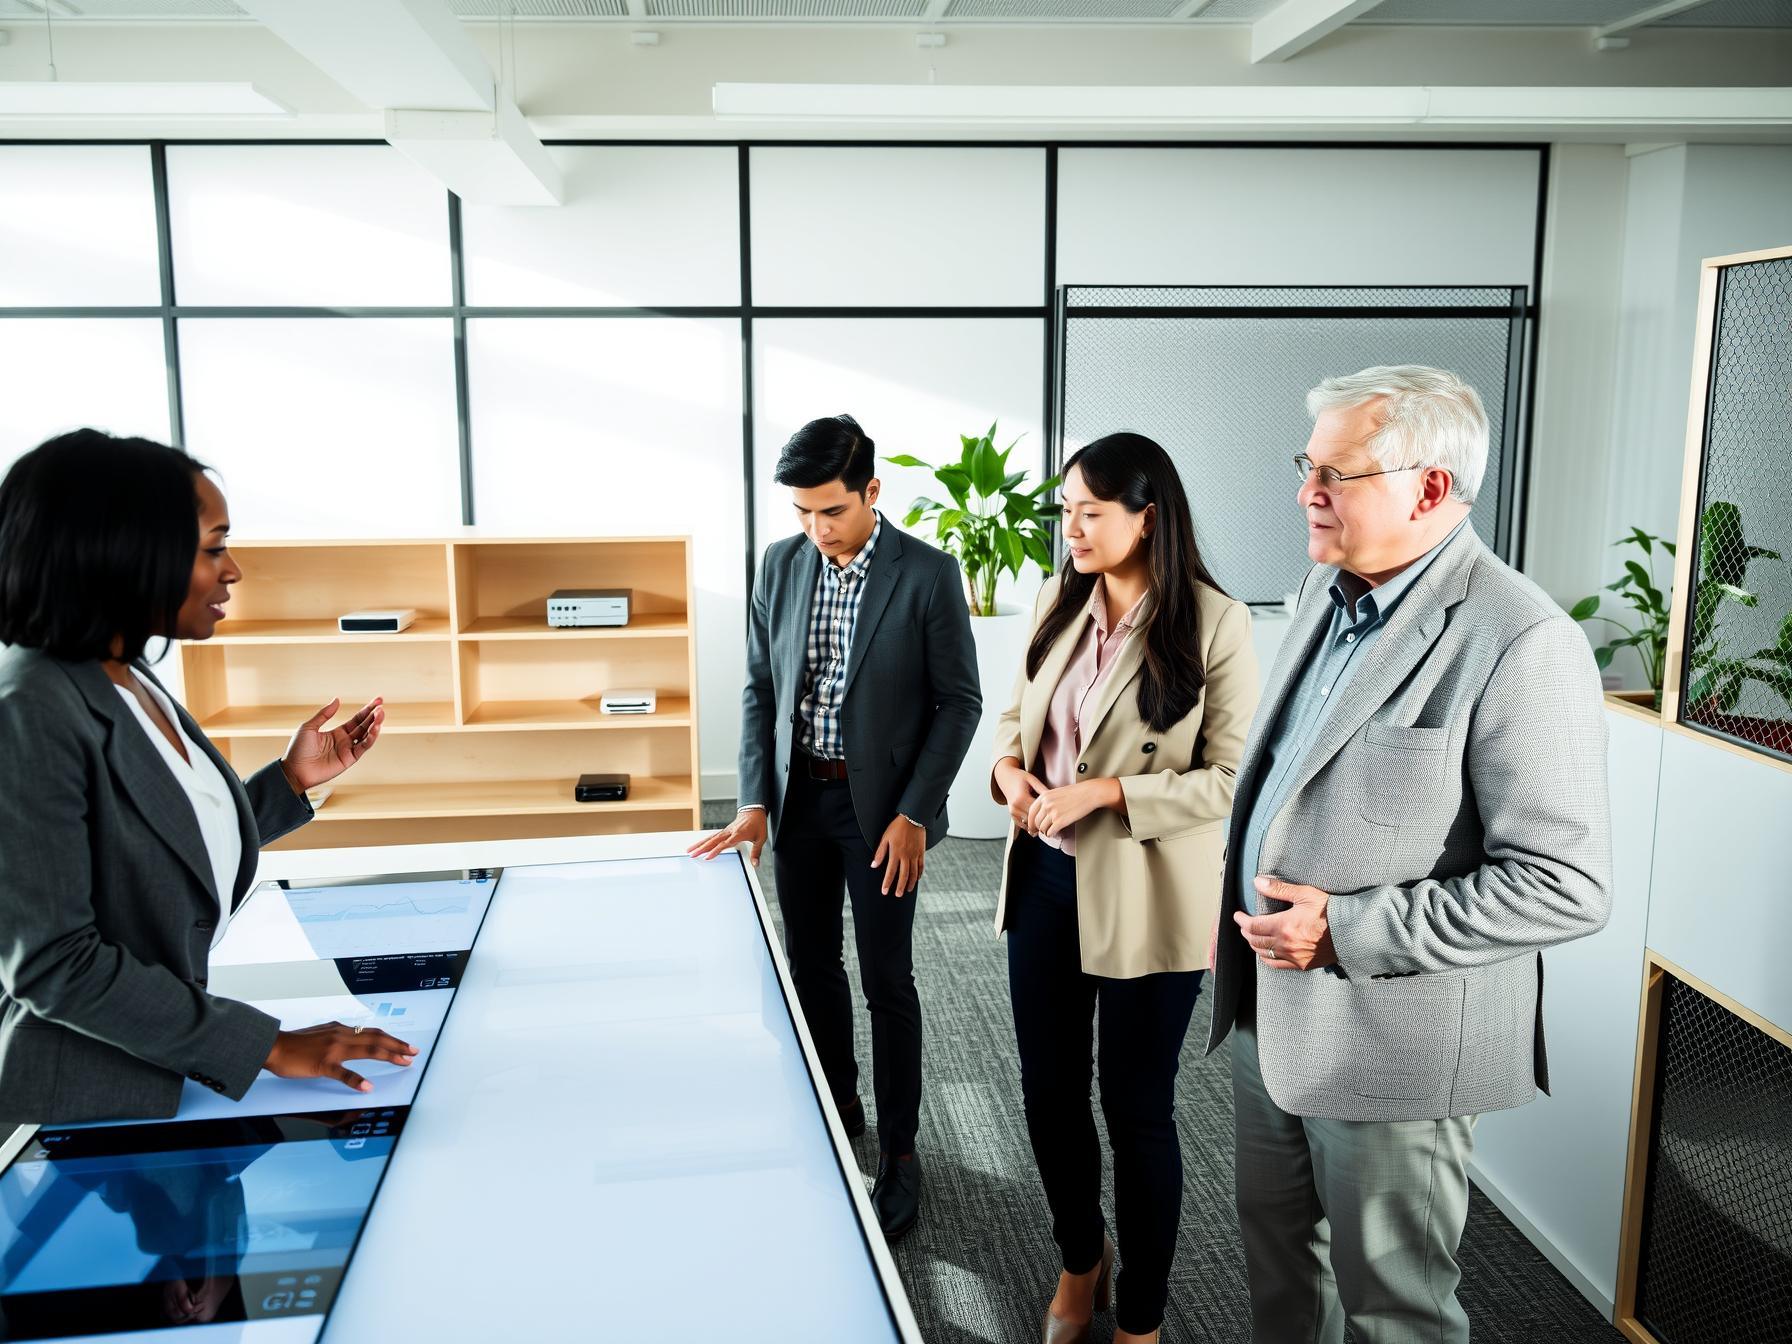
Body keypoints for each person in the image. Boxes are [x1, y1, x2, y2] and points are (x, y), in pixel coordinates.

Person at [1206, 366, 1613, 1344]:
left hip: (1394, 1046)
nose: (1307, 490)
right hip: (1273, 1015)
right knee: (1279, 1270)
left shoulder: (1517, 637)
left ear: (1428, 489)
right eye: (1308, 465)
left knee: (1396, 1311)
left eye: (1335, 474)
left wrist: (1342, 929)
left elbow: (1565, 887)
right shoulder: (1320, 590)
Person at [0, 429, 413, 1127]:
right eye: (214, 547)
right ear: (123, 551)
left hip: (165, 1074)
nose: (234, 571)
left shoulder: (127, 675)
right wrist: (265, 1045)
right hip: (84, 1098)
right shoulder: (31, 710)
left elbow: (155, 842)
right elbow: (51, 962)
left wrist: (288, 781)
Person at [991, 432, 1258, 1344]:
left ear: (1148, 517)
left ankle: (1142, 1315)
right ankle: (1081, 1261)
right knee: (1047, 1092)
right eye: (1066, 510)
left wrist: (1106, 791)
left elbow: (1228, 780)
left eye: (1090, 512)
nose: (1071, 527)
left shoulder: (1216, 622)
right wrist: (1010, 773)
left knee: (1136, 1108)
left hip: (1146, 891)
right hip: (1044, 883)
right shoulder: (1054, 604)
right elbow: (1010, 718)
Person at [688, 413, 980, 1240]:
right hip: (799, 804)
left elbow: (959, 702)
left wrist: (915, 812)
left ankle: (900, 1151)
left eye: (832, 511)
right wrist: (752, 801)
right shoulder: (781, 566)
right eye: (803, 514)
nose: (817, 529)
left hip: (883, 812)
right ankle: (837, 1100)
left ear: (872, 493)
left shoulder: (926, 573)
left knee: (887, 980)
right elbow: (758, 689)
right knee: (811, 965)